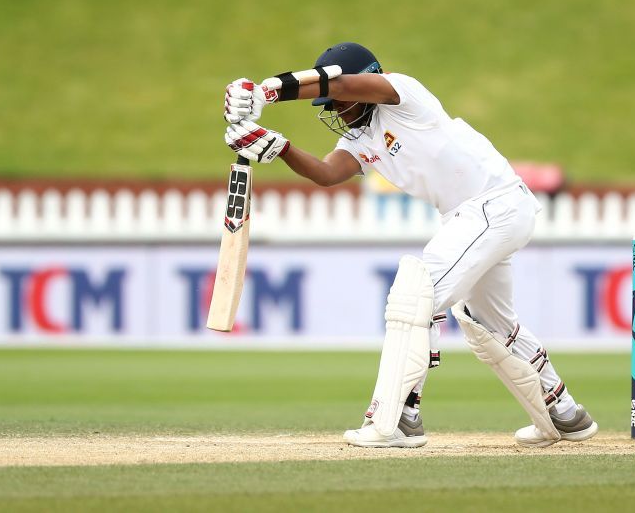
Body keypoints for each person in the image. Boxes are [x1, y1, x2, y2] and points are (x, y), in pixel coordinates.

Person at [222, 42, 598, 448]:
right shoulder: (361, 139)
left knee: (417, 297)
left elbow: (340, 83)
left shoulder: (402, 93)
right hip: (476, 215)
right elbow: (328, 174)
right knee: (488, 322)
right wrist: (280, 147)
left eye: (340, 102)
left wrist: (265, 92)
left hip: (492, 204)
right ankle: (565, 412)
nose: (335, 110)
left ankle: (400, 418)